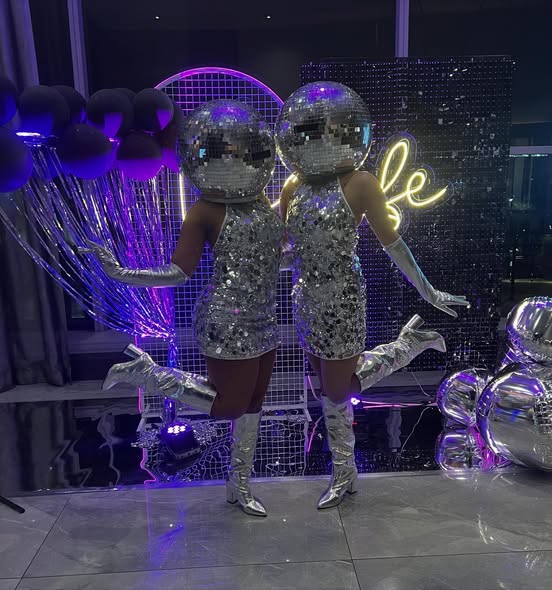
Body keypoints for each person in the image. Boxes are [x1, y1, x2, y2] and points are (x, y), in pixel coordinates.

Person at [83, 100, 283, 516]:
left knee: (253, 405)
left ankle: (239, 486)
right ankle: (147, 374)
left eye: (246, 152)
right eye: (226, 153)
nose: (237, 160)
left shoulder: (262, 202)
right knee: (229, 405)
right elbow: (178, 272)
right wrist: (121, 273)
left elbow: (270, 257)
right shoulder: (204, 210)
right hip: (227, 320)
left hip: (266, 317)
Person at [276, 81, 469, 509]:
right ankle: (346, 474)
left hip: (343, 299)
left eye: (329, 132)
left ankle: (345, 471)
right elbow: (290, 251)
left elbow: (393, 245)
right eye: (311, 133)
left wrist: (427, 290)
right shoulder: (293, 186)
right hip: (305, 299)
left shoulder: (361, 183)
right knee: (326, 389)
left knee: (337, 390)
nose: (320, 141)